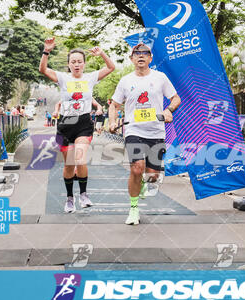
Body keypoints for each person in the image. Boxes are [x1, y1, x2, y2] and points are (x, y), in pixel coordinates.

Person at [39, 37, 115, 213]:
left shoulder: (91, 77)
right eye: (73, 62)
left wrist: (102, 53)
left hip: (83, 124)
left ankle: (83, 195)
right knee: (69, 165)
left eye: (79, 61)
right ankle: (69, 198)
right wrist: (47, 51)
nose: (76, 64)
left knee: (80, 158)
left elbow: (111, 68)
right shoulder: (63, 78)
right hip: (65, 125)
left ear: (84, 63)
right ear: (69, 64)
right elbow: (42, 69)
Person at [109, 43, 181, 225]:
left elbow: (175, 97)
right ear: (131, 59)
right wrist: (111, 121)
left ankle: (142, 183)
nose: (141, 55)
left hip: (156, 132)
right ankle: (133, 209)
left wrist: (169, 110)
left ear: (151, 58)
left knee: (152, 176)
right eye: (136, 53)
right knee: (136, 167)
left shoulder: (160, 77)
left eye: (145, 53)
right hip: (133, 130)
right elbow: (114, 104)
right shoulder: (125, 81)